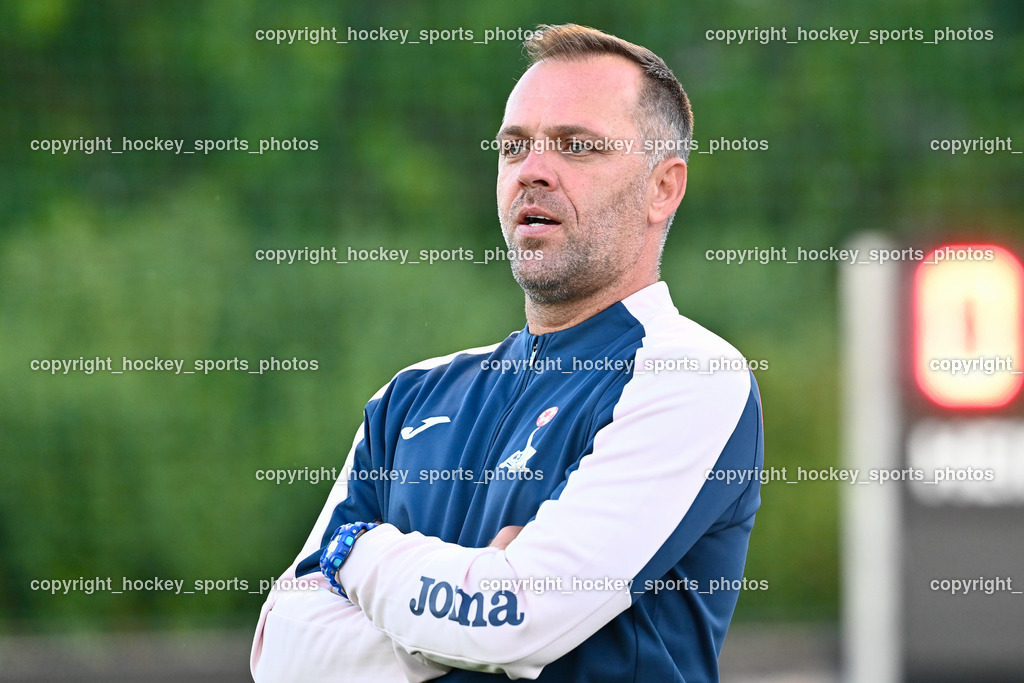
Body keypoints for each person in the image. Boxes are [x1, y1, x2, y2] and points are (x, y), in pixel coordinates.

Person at [251, 23, 764, 682]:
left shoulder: (688, 373)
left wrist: (358, 554)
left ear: (663, 188)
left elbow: (514, 617)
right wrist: (472, 603)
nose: (533, 171)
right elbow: (281, 655)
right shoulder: (410, 396)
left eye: (577, 146)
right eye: (514, 146)